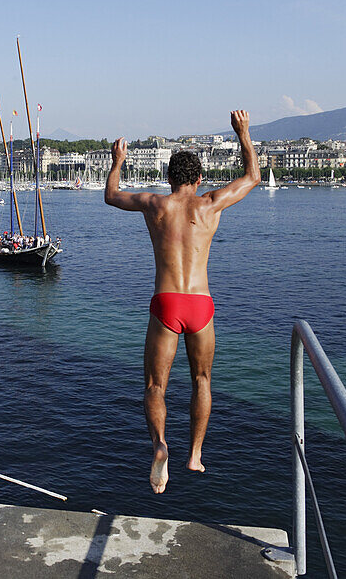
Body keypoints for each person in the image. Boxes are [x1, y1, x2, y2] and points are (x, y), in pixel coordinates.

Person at [104, 109, 260, 494]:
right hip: (201, 305)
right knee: (202, 380)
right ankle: (195, 453)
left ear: (170, 178)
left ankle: (160, 445)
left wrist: (118, 161)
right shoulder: (210, 204)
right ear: (199, 179)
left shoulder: (156, 205)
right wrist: (243, 133)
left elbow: (111, 195)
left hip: (167, 302)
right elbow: (254, 177)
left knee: (156, 385)